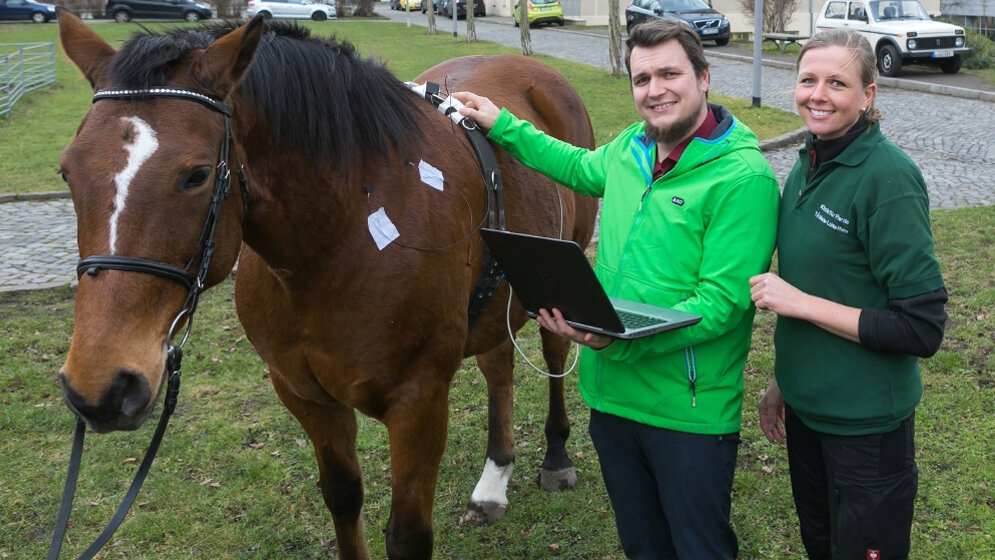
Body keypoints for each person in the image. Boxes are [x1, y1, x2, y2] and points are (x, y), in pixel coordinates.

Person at [454, 19, 779, 560]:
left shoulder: (742, 180)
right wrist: (502, 124)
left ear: (703, 77)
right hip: (610, 404)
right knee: (642, 546)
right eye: (642, 78)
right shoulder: (632, 147)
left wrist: (616, 337)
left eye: (670, 73)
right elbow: (578, 165)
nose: (655, 90)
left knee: (699, 549)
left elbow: (721, 306)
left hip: (688, 415)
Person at [749, 29, 947, 560]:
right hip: (807, 416)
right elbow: (828, 282)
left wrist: (798, 303)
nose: (818, 94)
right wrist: (784, 383)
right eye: (807, 79)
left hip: (866, 428)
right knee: (821, 547)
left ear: (868, 95)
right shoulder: (806, 162)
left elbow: (921, 328)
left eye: (837, 83)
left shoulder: (889, 178)